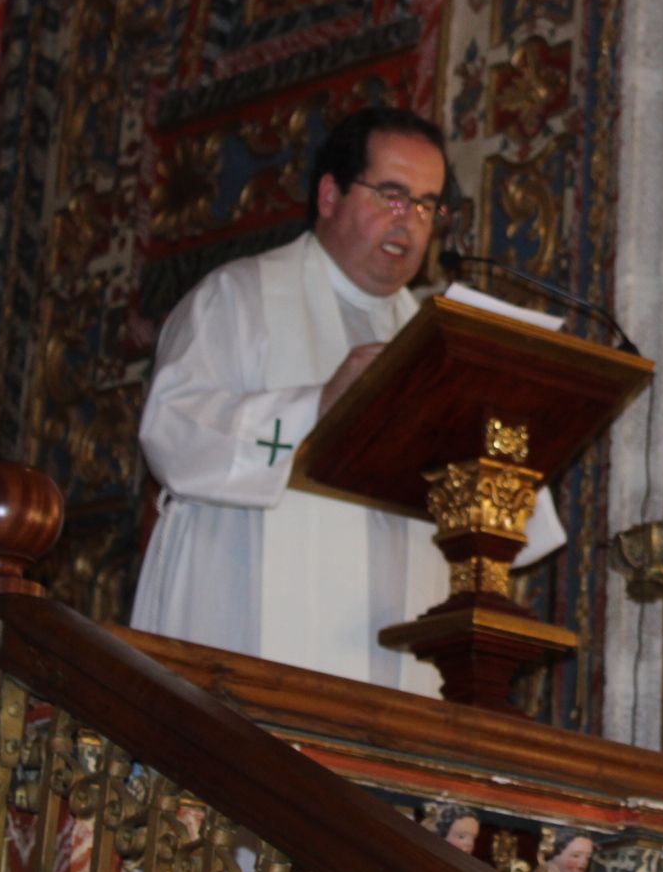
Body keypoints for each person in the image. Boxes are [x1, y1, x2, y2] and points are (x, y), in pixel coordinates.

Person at [133, 109, 458, 692]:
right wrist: (317, 408)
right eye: (391, 194)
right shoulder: (237, 298)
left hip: (395, 660)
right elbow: (173, 437)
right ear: (329, 194)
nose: (408, 220)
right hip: (248, 645)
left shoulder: (438, 346)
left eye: (427, 204)